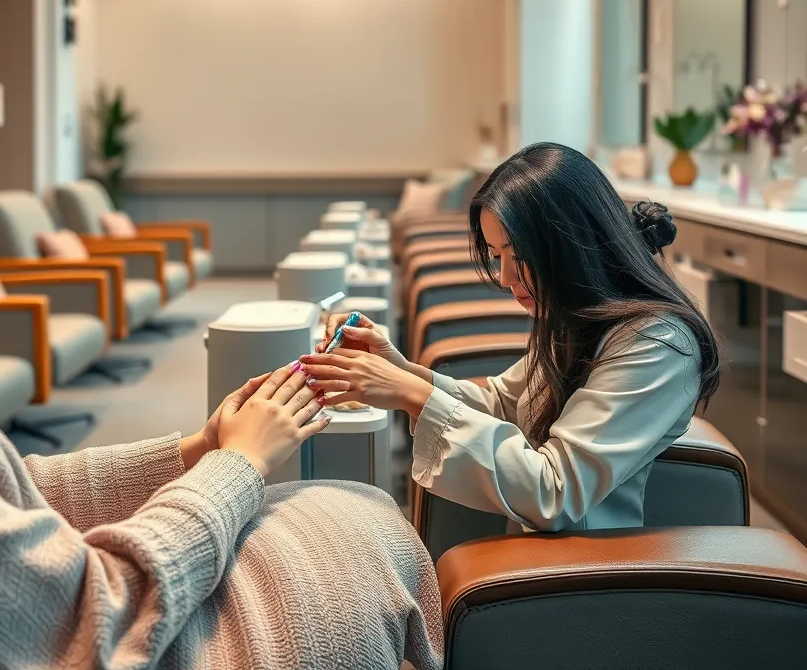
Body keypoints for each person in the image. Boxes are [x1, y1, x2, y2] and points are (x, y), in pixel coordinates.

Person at [0, 35, 442, 670]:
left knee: (345, 511)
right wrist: (236, 467)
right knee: (354, 522)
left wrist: (196, 449)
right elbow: (91, 630)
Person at [302, 143, 720, 533]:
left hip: (593, 571)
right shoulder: (575, 313)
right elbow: (507, 403)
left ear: (572, 245)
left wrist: (412, 393)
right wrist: (401, 372)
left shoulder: (657, 342)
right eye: (497, 256)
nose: (504, 279)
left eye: (519, 258)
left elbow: (555, 492)